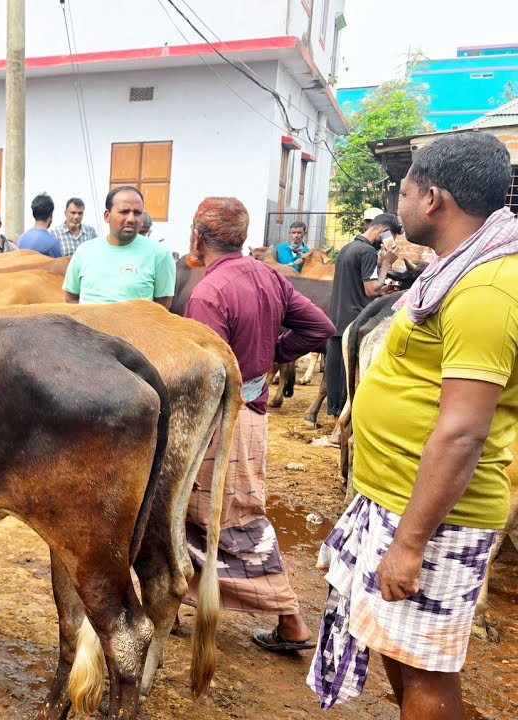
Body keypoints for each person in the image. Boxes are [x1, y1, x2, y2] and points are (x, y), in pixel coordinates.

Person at [309, 132, 518, 717]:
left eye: (403, 192)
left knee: (425, 673)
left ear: (433, 199)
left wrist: (409, 544)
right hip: (396, 498)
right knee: (398, 655)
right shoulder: (452, 271)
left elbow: (463, 432)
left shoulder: (487, 288)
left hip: (432, 519)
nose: (397, 207)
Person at [181, 196, 333, 656]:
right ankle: (168, 604)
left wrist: (262, 360)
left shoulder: (208, 294)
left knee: (230, 517)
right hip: (253, 413)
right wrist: (270, 358)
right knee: (204, 513)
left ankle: (291, 618)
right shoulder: (267, 275)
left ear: (196, 238)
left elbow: (205, 374)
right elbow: (319, 327)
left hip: (220, 421)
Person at [323, 212, 401, 429]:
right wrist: (386, 263)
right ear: (383, 231)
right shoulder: (367, 251)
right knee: (349, 384)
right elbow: (371, 288)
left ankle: (335, 430)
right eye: (391, 238)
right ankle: (339, 432)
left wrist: (382, 289)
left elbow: (361, 288)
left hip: (337, 320)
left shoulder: (348, 248)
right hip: (354, 323)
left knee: (337, 379)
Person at [63, 187, 175, 308]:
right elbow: (71, 297)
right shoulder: (84, 251)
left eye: (137, 213)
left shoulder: (160, 254)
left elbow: (162, 306)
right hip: (87, 326)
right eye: (124, 212)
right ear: (107, 216)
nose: (131, 219)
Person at [16, 193, 62, 258]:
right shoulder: (52, 242)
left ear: (33, 214)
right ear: (51, 215)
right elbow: (58, 265)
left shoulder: (22, 238)